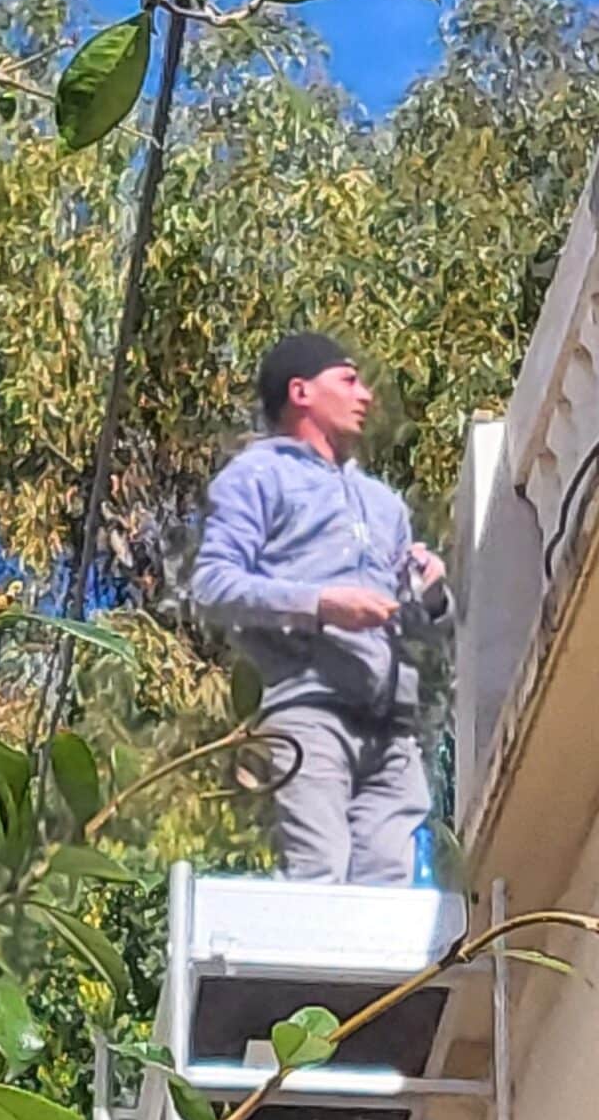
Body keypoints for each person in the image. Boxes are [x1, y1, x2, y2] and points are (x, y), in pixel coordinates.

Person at [191, 331, 451, 885]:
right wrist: (320, 604)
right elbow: (212, 586)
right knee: (321, 879)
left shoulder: (386, 506)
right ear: (301, 391)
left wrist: (430, 593)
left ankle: (391, 981)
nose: (366, 396)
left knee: (388, 892)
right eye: (349, 380)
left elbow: (428, 629)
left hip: (392, 728)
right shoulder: (258, 477)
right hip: (309, 714)